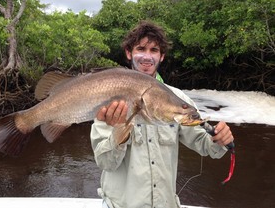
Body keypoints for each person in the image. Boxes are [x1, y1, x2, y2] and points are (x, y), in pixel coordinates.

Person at [90, 20, 234, 208]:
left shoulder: (179, 100)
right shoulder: (111, 100)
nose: (147, 57)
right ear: (129, 53)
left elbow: (205, 145)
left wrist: (220, 140)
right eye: (141, 48)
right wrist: (120, 131)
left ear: (162, 56)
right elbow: (105, 163)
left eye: (154, 50)